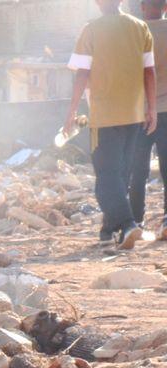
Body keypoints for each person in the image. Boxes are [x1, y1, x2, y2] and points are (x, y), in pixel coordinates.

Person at [64, 0, 157, 247]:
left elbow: (82, 73)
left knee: (106, 177)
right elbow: (149, 71)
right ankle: (108, 230)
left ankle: (127, 224)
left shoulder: (91, 30)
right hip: (134, 113)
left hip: (105, 115)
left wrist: (71, 111)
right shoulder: (140, 27)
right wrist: (152, 109)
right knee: (120, 174)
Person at [131, 0, 167, 236]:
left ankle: (135, 221)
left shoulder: (135, 32)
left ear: (143, 7)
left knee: (138, 169)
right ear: (165, 7)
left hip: (139, 112)